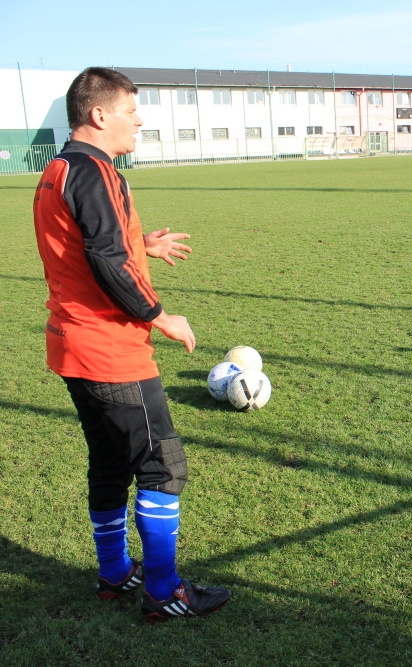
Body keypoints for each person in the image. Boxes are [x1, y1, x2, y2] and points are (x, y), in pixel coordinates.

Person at [32, 67, 231, 621]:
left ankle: (115, 573)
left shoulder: (60, 168)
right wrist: (160, 314)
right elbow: (105, 260)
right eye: (130, 111)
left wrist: (139, 242)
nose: (139, 121)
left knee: (110, 463)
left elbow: (84, 244)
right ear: (99, 115)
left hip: (71, 343)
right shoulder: (97, 172)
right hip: (109, 349)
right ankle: (164, 592)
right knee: (162, 465)